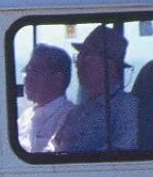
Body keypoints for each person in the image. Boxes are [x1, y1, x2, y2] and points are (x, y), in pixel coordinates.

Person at [49, 25, 139, 153]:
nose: (79, 65)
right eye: (79, 58)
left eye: (89, 59)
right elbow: (55, 147)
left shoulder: (125, 106)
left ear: (111, 66)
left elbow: (121, 153)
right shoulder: (77, 112)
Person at [17, 44, 74, 153]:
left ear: (58, 79)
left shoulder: (70, 117)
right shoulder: (26, 116)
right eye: (27, 71)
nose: (28, 78)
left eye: (35, 72)